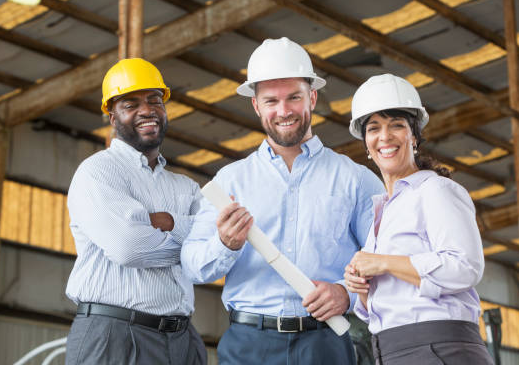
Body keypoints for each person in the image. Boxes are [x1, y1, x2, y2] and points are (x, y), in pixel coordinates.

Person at [181, 37, 385, 364]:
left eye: (294, 97)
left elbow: (387, 258)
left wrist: (346, 294)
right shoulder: (231, 181)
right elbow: (192, 265)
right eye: (271, 100)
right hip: (248, 345)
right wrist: (224, 243)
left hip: (326, 342)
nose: (284, 110)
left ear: (312, 97)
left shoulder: (356, 180)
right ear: (256, 105)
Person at [64, 58, 206, 365]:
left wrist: (168, 223)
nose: (147, 110)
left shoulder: (186, 187)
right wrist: (192, 239)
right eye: (131, 104)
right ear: (112, 117)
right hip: (114, 335)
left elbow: (218, 244)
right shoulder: (98, 172)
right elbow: (129, 248)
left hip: (182, 338)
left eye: (155, 100)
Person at [344, 74, 493, 364]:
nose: (384, 136)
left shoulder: (435, 190)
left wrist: (384, 262)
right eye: (374, 128)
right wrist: (362, 286)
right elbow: (394, 301)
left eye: (396, 126)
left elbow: (466, 266)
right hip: (390, 349)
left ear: (414, 137)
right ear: (366, 143)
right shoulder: (383, 209)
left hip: (438, 348)